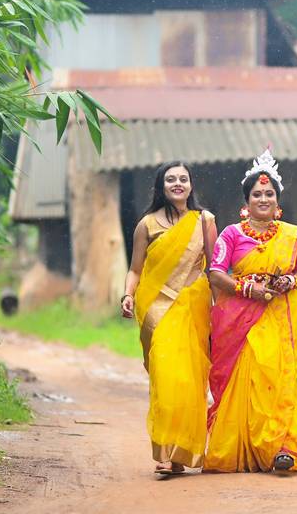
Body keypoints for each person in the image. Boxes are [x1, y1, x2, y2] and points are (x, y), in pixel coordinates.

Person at [203, 149, 297, 473]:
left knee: (277, 381)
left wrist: (289, 282)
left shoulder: (290, 235)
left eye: (269, 193)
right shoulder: (231, 234)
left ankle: (280, 448)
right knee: (248, 381)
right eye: (257, 194)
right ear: (247, 200)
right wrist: (247, 288)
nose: (263, 198)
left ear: (277, 201)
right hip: (240, 321)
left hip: (277, 318)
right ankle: (245, 446)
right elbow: (216, 272)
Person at [120, 161, 216, 475]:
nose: (177, 184)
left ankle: (181, 455)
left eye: (183, 179)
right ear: (162, 186)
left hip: (193, 308)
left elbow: (214, 269)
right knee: (164, 377)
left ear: (191, 185)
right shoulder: (146, 224)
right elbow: (135, 269)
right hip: (157, 310)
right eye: (171, 179)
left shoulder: (204, 221)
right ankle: (163, 451)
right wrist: (128, 295)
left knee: (189, 381)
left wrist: (224, 310)